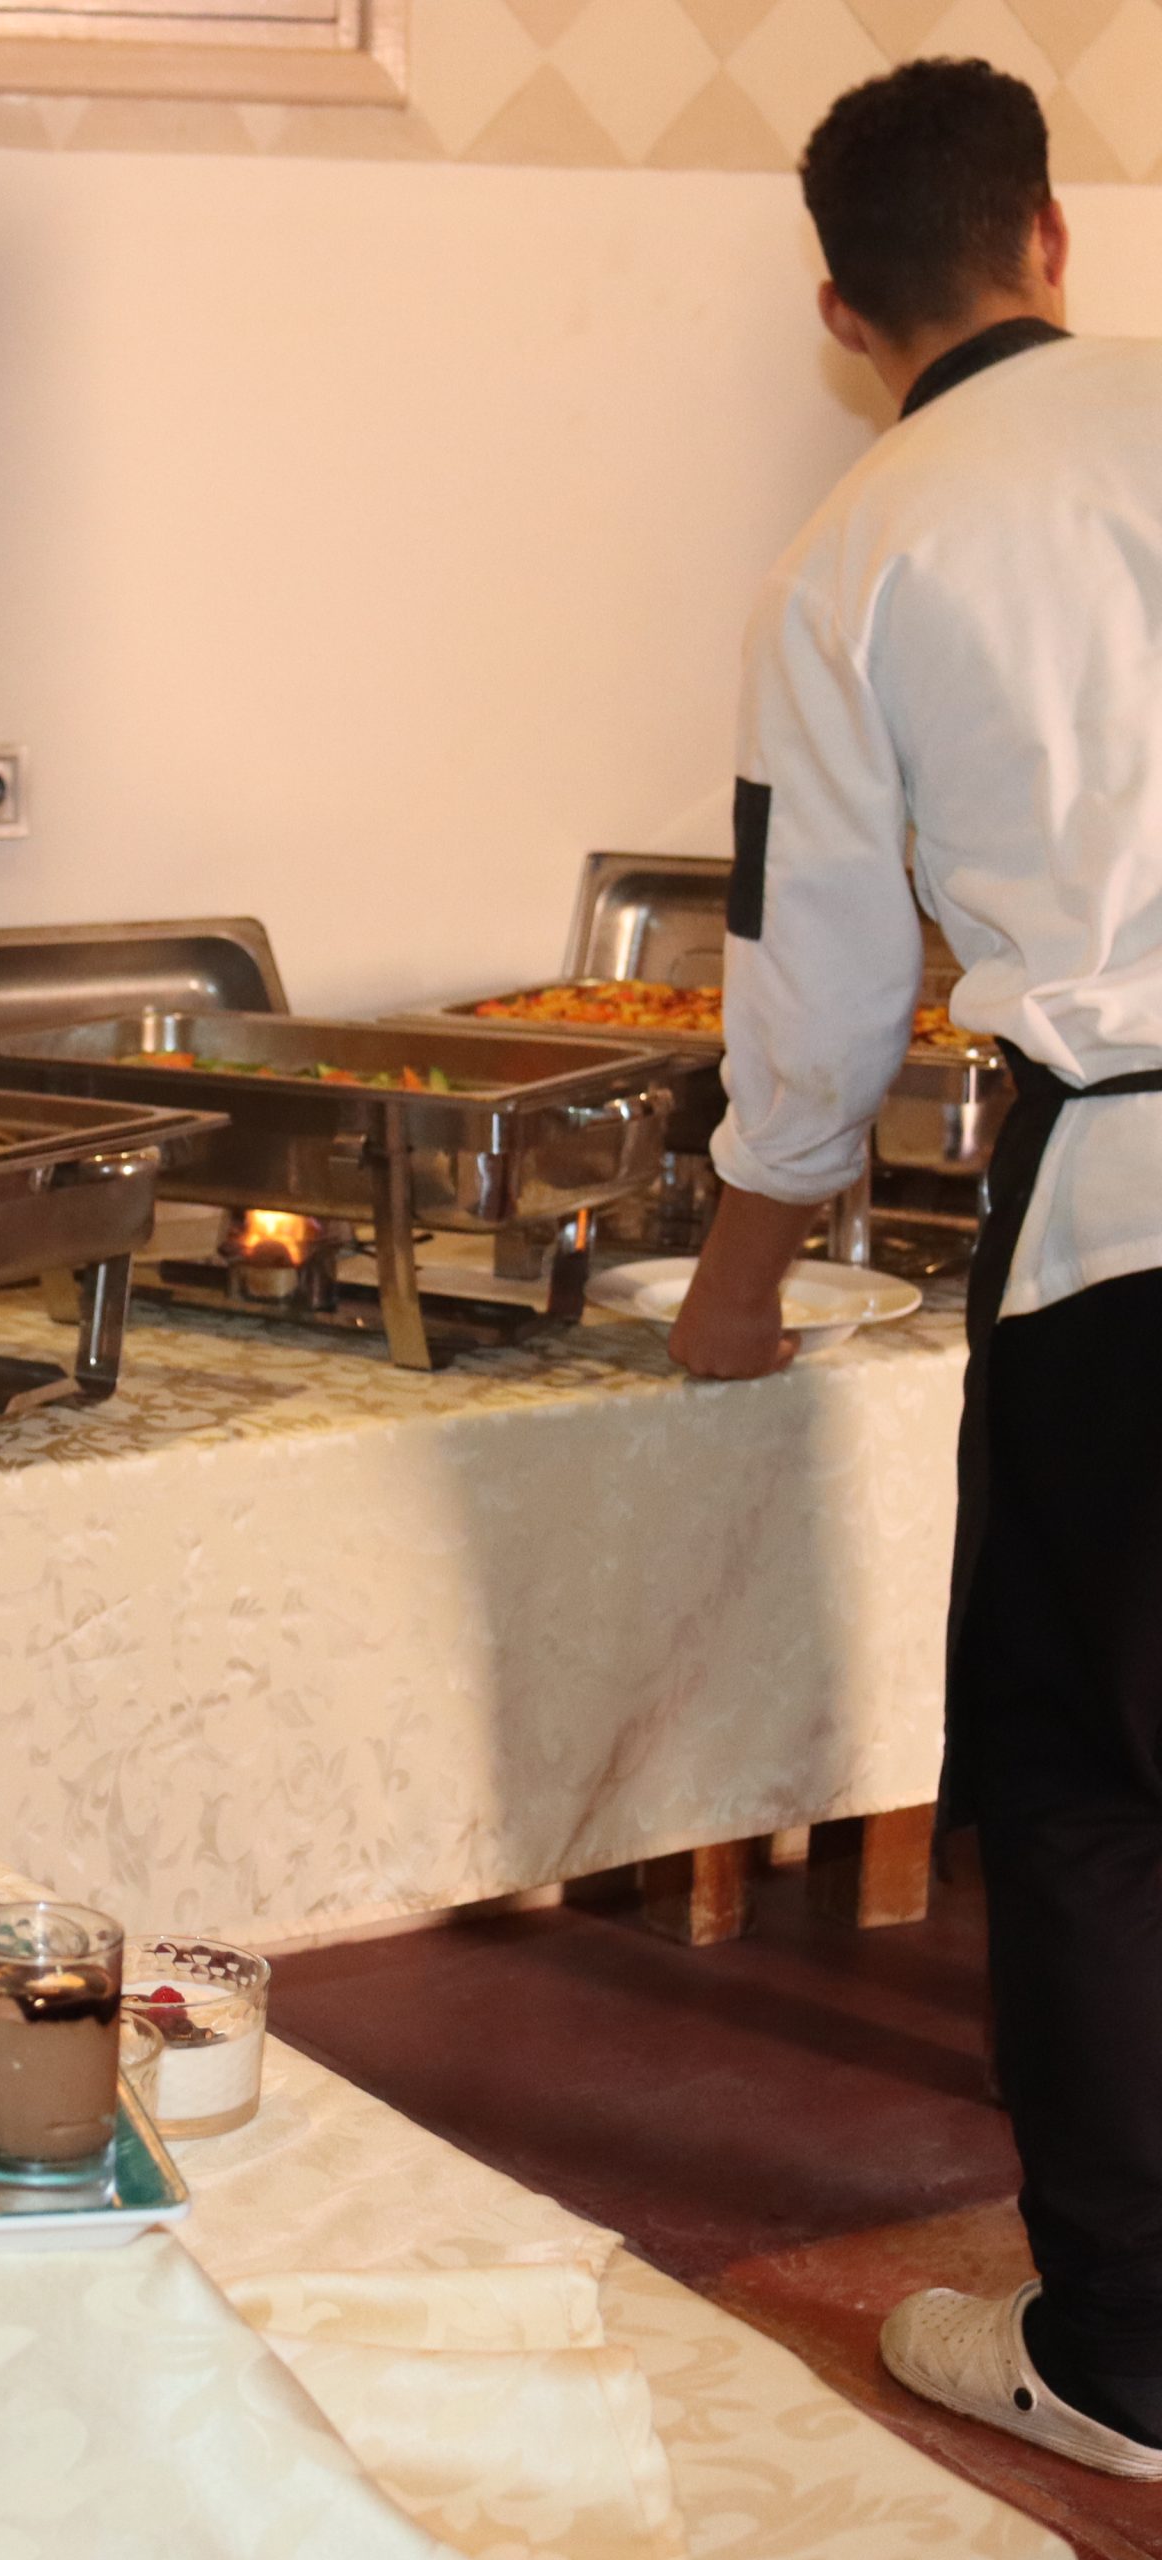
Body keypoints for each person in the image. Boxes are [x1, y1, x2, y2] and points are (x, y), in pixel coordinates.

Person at [666, 57, 1162, 2479]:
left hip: (1129, 1230)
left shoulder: (855, 551)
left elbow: (820, 984)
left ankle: (1126, 2362)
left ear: (838, 311)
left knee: (1086, 1787)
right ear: (1048, 236)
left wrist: (737, 1271)